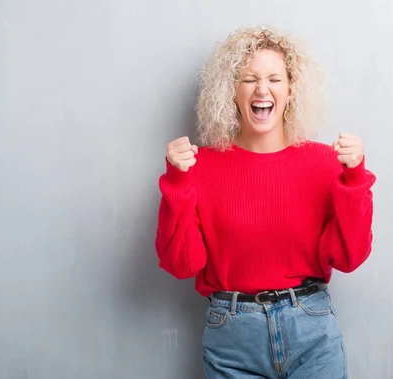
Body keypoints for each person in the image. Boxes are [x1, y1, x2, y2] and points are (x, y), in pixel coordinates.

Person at [154, 25, 376, 379]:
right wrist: (177, 183)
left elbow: (349, 258)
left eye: (275, 79)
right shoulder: (200, 166)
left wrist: (354, 179)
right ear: (232, 92)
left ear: (291, 90)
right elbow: (181, 264)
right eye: (248, 79)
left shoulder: (324, 163)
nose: (262, 89)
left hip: (312, 333)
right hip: (232, 338)